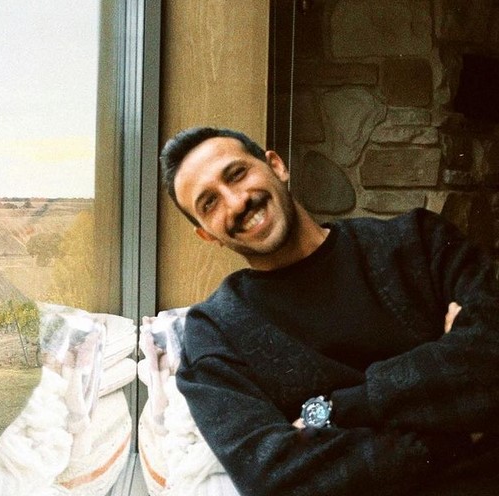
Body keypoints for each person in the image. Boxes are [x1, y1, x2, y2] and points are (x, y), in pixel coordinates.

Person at [159, 126, 499, 496]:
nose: (237, 202)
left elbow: (491, 357)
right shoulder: (216, 330)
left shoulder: (417, 242)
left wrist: (339, 409)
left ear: (277, 166)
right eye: (209, 203)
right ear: (207, 234)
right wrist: (456, 434)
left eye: (237, 174)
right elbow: (276, 478)